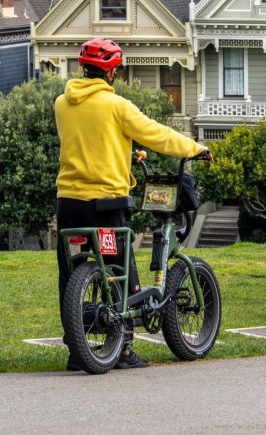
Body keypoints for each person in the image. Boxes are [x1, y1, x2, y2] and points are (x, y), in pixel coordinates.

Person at [55, 38, 209, 370]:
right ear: (110, 72)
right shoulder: (117, 106)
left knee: (70, 275)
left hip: (68, 203)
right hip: (106, 203)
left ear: (84, 69)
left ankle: (75, 349)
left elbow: (87, 142)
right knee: (119, 273)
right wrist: (194, 148)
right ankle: (122, 350)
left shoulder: (61, 104)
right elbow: (158, 135)